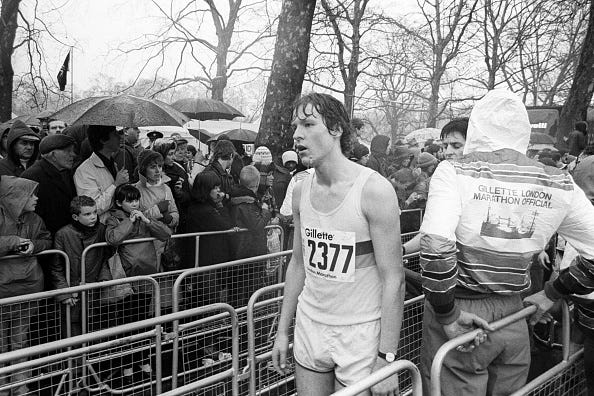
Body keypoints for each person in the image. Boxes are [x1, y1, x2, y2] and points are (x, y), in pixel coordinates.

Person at [417, 89, 594, 395]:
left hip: (464, 311)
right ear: (523, 131)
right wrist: (552, 293)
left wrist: (447, 315)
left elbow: (435, 247)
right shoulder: (560, 183)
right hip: (515, 314)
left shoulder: (454, 171)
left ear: (476, 128)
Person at [271, 93, 404, 395]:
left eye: (307, 124)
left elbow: (394, 278)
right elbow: (297, 263)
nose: (296, 135)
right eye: (295, 127)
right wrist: (282, 331)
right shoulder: (300, 190)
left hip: (360, 333)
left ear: (336, 129)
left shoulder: (374, 191)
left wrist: (387, 358)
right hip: (310, 326)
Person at [0, 176, 52, 396]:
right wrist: (13, 241)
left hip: (29, 288)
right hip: (3, 291)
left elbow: (47, 240)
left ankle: (20, 386)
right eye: (31, 194)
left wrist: (34, 245)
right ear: (15, 197)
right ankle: (3, 386)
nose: (36, 198)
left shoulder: (35, 219)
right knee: (1, 345)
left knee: (20, 341)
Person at [51, 196, 112, 338]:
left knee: (93, 328)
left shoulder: (102, 230)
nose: (93, 217)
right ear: (75, 216)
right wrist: (64, 292)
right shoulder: (63, 234)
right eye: (87, 214)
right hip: (72, 290)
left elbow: (106, 257)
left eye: (95, 212)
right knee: (71, 329)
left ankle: (90, 360)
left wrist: (103, 278)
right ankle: (73, 360)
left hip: (93, 287)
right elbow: (56, 267)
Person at [105, 184, 172, 277]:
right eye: (129, 201)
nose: (134, 204)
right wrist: (129, 222)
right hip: (127, 270)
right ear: (119, 203)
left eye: (137, 200)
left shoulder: (144, 216)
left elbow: (166, 234)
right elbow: (112, 239)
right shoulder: (113, 219)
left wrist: (148, 221)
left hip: (149, 268)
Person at [21, 134, 77, 235]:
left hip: (66, 235)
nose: (73, 155)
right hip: (47, 238)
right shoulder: (31, 177)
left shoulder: (66, 172)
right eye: (68, 151)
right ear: (53, 155)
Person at [74, 125, 129, 222]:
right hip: (101, 228)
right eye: (115, 134)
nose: (120, 137)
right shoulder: (84, 171)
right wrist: (116, 185)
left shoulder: (112, 163)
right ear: (103, 140)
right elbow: (92, 208)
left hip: (118, 225)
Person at [135, 151, 179, 270]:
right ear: (144, 169)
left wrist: (171, 219)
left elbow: (175, 211)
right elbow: (136, 217)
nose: (157, 170)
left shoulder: (166, 188)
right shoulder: (136, 190)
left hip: (165, 242)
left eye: (159, 166)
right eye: (152, 167)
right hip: (146, 244)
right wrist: (157, 210)